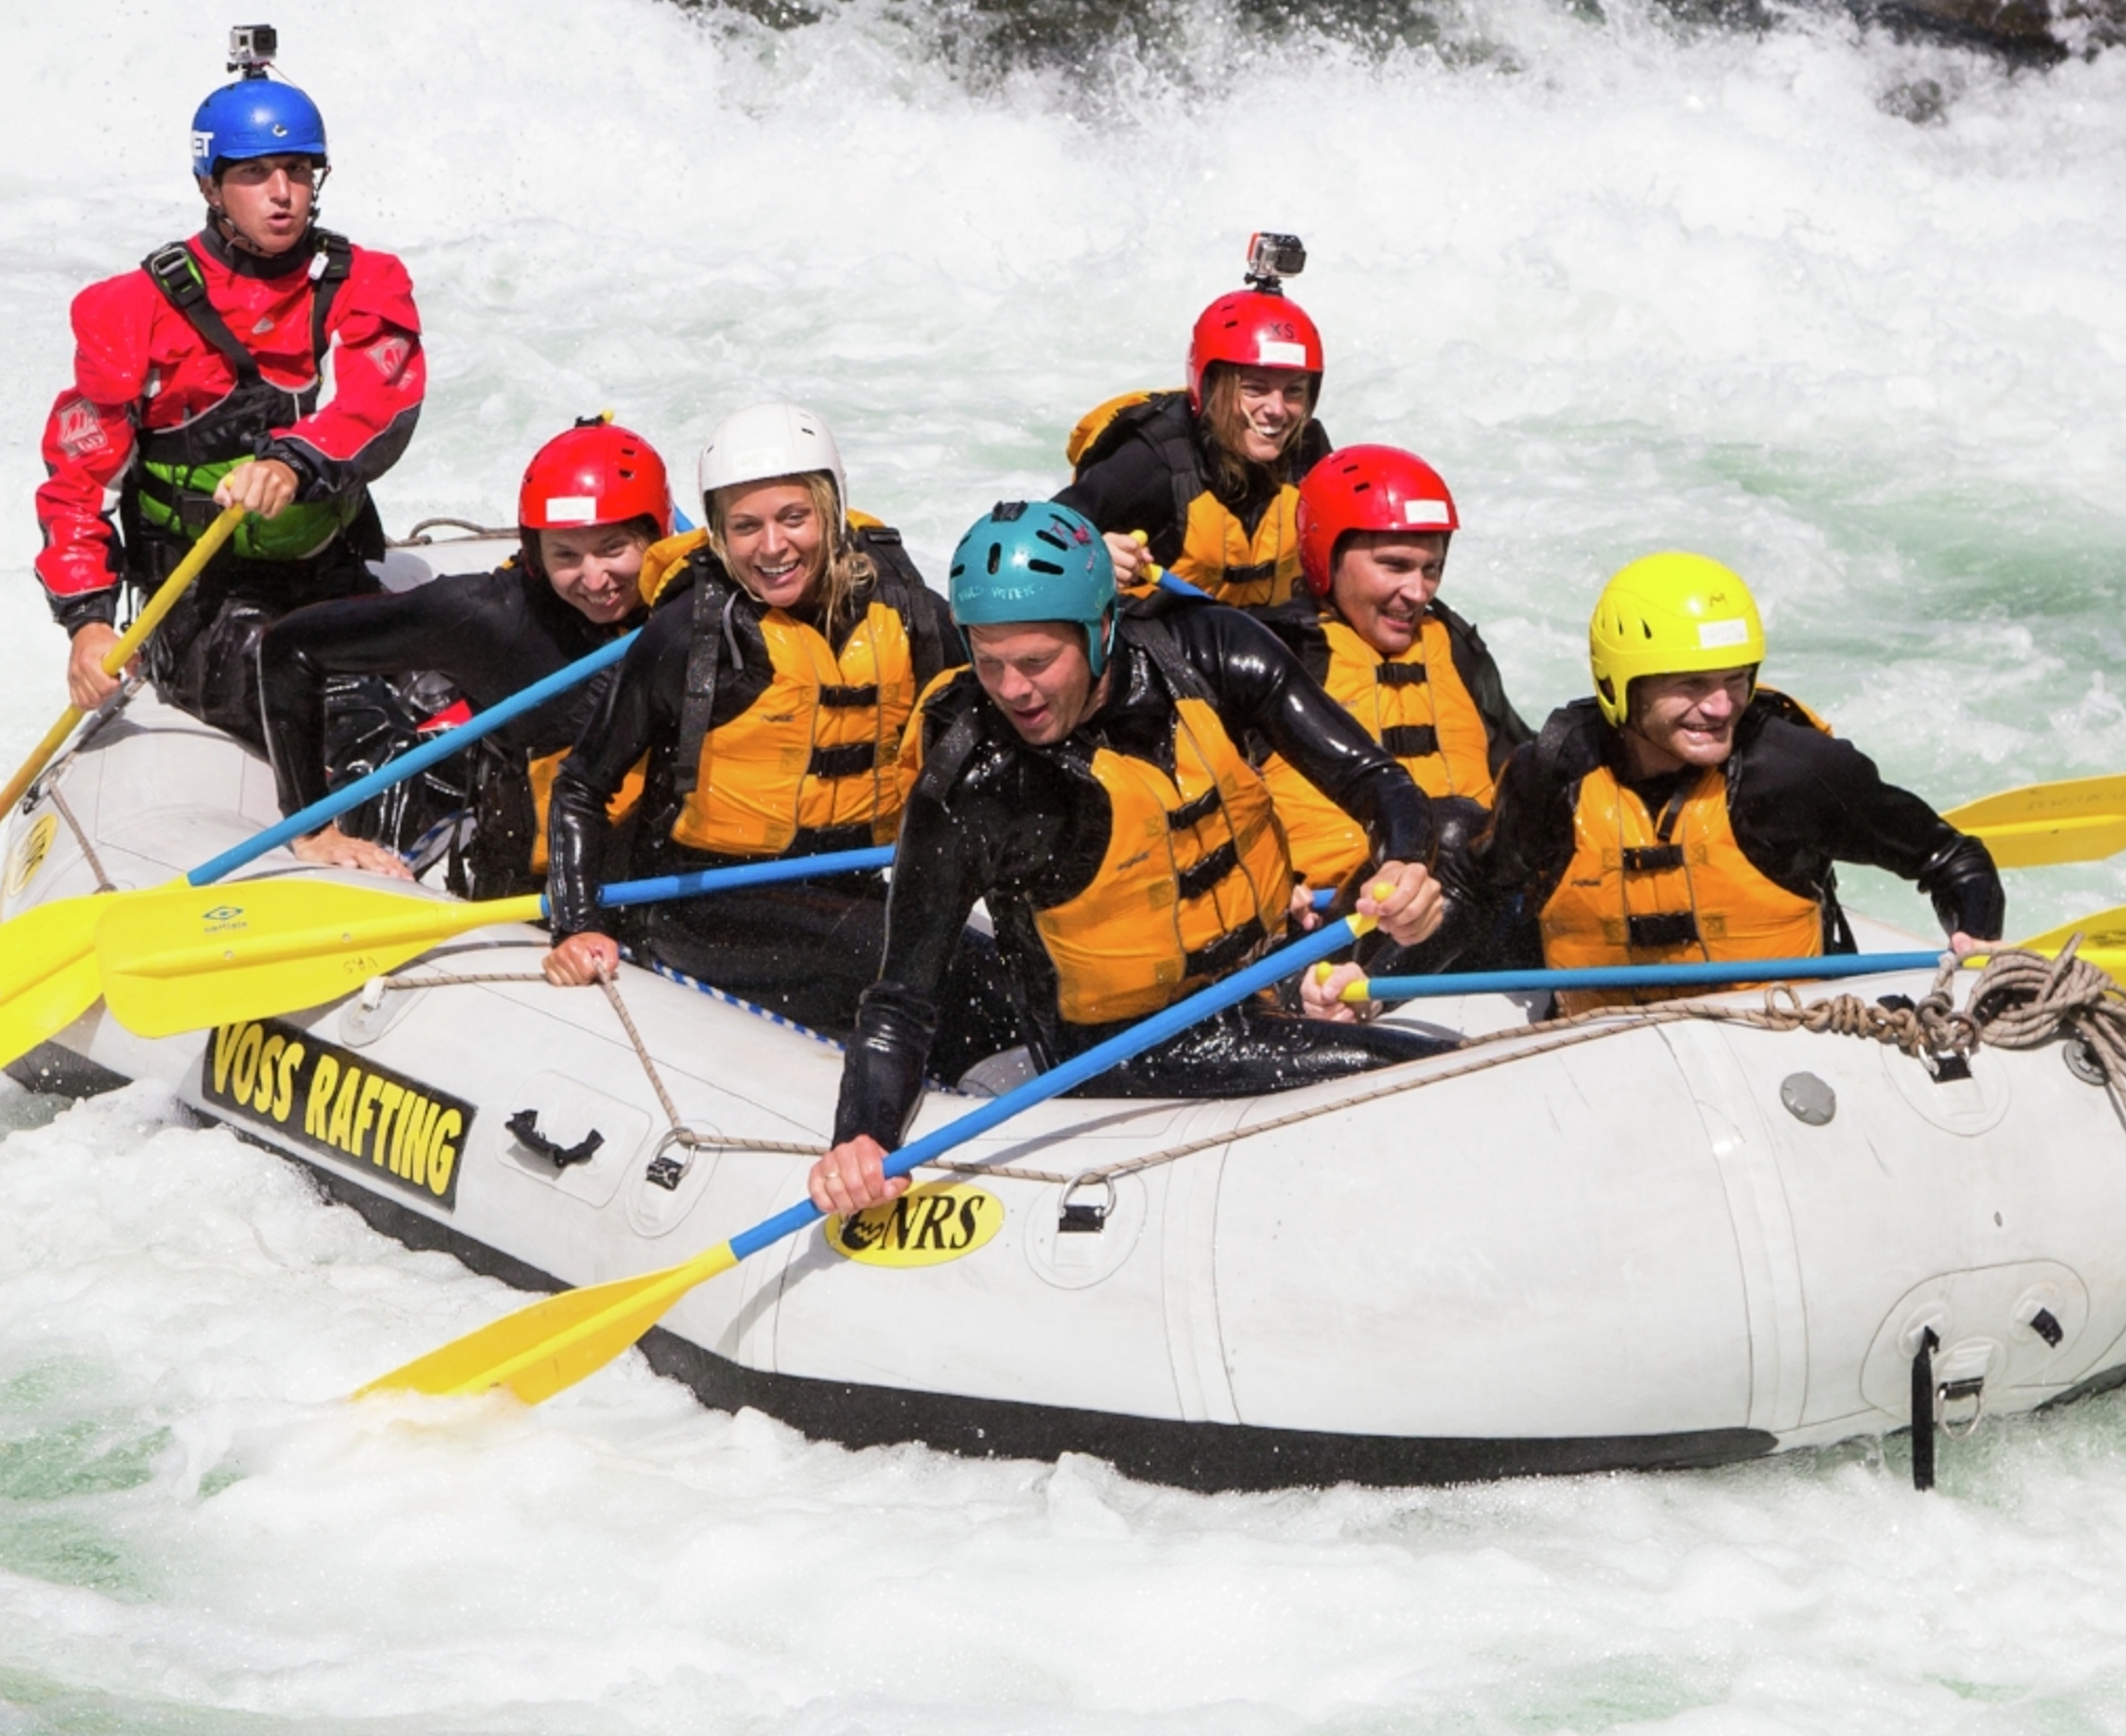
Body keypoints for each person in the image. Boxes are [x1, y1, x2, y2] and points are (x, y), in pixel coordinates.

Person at [803, 500, 1454, 1218]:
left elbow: (1377, 782)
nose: (1013, 689)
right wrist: (858, 1136)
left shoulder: (1213, 652)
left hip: (1264, 967)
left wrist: (1404, 865)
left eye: (1037, 661)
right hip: (1121, 1049)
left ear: (1103, 629)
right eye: (988, 662)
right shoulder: (974, 782)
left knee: (1455, 855)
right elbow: (902, 1000)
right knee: (1420, 1073)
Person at [33, 28, 428, 742]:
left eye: (299, 171)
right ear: (210, 185)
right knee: (354, 725)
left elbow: (382, 402)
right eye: (255, 174)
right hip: (198, 603)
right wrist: (88, 623)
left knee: (468, 684)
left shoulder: (364, 281)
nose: (282, 194)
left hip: (327, 573)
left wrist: (292, 461)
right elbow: (77, 484)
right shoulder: (131, 309)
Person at [538, 405, 963, 1031]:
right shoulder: (688, 637)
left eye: (794, 517)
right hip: (701, 905)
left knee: (965, 953)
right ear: (717, 535)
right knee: (912, 956)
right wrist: (575, 926)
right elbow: (581, 786)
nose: (772, 547)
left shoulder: (909, 614)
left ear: (833, 511)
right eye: (745, 527)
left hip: (852, 882)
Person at [1470, 553, 2002, 1009]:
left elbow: (1953, 859)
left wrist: (1975, 940)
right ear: (1619, 685)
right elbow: (1480, 890)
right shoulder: (1551, 774)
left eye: (1736, 679)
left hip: (1775, 1046)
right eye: (1693, 684)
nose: (1722, 706)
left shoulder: (1795, 771)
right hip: (1598, 1049)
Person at [252, 420, 667, 890]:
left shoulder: (697, 600)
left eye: (613, 549)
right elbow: (290, 647)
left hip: (654, 875)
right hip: (531, 889)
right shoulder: (488, 618)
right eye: (566, 556)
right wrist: (312, 830)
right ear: (534, 553)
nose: (595, 580)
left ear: (656, 536)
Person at [1255, 444, 1531, 898]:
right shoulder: (1279, 651)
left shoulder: (1454, 646)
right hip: (1334, 915)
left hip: (1468, 902)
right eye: (1395, 566)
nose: (1417, 592)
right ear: (1328, 555)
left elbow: (1526, 776)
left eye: (1432, 569)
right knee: (1450, 832)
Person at [1057, 233, 1330, 610]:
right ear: (1212, 387)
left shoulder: (1309, 453)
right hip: (1169, 651)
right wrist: (1090, 555)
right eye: (1254, 389)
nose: (1277, 410)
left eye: (1294, 392)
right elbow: (1033, 539)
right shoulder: (1152, 457)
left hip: (1265, 648)